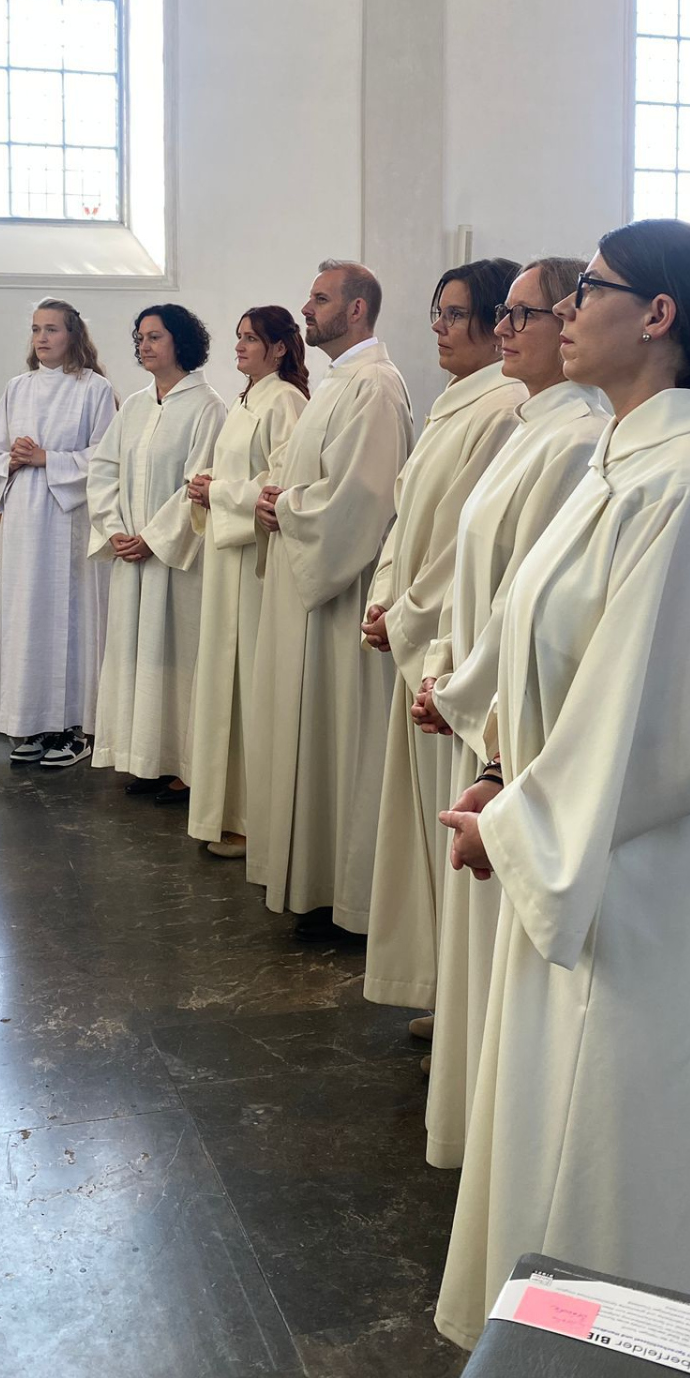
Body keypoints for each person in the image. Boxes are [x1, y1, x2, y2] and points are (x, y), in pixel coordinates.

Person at [433, 217, 690, 1378]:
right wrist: (503, 766)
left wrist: (513, 823)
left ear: (657, 316)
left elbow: (650, 727)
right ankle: (548, 1351)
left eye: (587, 288)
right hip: (575, 846)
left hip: (636, 885)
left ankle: (620, 1364)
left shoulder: (687, 484)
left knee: (610, 1139)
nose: (562, 309)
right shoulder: (623, 459)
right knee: (560, 1118)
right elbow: (557, 647)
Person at [406, 260, 606, 1169]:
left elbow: (537, 606)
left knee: (503, 938)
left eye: (523, 314)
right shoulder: (533, 427)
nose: (506, 329)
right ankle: (475, 1088)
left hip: (515, 725)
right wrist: (448, 673)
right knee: (476, 938)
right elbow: (484, 580)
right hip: (483, 703)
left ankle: (501, 1125)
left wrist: (464, 695)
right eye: (506, 314)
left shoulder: (575, 440)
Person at [361, 258, 526, 1013]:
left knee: (448, 829)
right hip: (422, 638)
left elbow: (465, 546)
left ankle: (460, 1006)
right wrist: (385, 599)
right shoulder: (454, 404)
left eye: (455, 313)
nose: (438, 326)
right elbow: (407, 520)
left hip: (451, 654)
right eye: (438, 311)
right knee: (424, 833)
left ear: (496, 324)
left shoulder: (503, 409)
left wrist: (407, 618)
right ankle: (439, 991)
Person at [248, 261, 413, 937]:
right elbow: (313, 479)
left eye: (320, 299)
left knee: (339, 740)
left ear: (357, 310)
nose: (306, 308)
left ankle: (344, 897)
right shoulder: (339, 382)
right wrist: (277, 500)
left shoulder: (374, 385)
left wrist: (285, 506)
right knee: (307, 737)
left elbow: (362, 498)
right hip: (305, 584)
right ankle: (310, 880)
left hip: (340, 598)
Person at [184, 307, 309, 857]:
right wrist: (209, 484)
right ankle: (224, 809)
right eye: (238, 337)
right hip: (226, 559)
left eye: (251, 338)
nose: (239, 346)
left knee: (249, 685)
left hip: (254, 564)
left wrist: (217, 492)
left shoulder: (285, 401)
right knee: (223, 682)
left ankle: (255, 820)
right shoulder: (245, 400)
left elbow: (281, 485)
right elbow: (243, 474)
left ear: (279, 348)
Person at [88, 305, 226, 796]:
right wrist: (115, 529)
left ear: (181, 342)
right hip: (131, 554)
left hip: (176, 560)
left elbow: (200, 482)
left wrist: (154, 537)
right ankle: (143, 757)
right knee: (136, 657)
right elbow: (103, 470)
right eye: (140, 338)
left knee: (176, 657)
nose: (144, 346)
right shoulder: (136, 406)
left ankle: (182, 765)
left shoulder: (207, 407)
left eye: (155, 337)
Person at [0, 300, 117, 765]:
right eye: (36, 329)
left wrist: (48, 459)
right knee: (28, 615)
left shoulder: (94, 388)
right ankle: (34, 723)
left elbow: (107, 456)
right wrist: (14, 457)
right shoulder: (17, 388)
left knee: (72, 617)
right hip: (25, 518)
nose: (41, 337)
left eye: (52, 329)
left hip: (69, 518)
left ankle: (76, 729)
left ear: (73, 335)